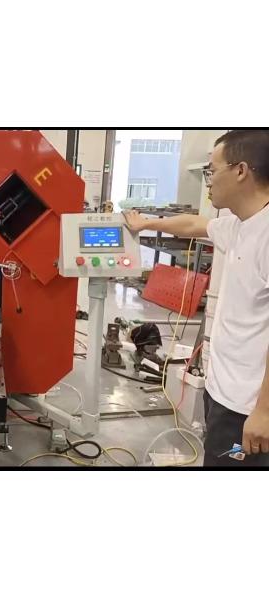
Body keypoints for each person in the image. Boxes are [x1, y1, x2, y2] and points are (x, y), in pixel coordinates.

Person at [124, 130, 269, 467]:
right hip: (223, 394)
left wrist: (263, 412)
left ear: (241, 170)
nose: (209, 181)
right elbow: (193, 225)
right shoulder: (240, 225)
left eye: (211, 170)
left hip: (248, 409)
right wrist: (145, 223)